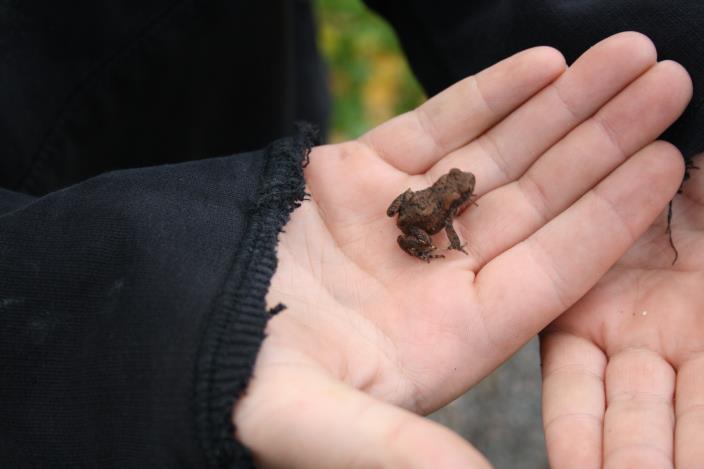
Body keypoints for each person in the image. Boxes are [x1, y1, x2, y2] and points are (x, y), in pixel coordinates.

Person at [0, 3, 701, 469]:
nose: (465, 197)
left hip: (228, 100)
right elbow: (433, 217)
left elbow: (432, 196)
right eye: (463, 195)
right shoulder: (444, 212)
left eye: (462, 192)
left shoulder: (443, 192)